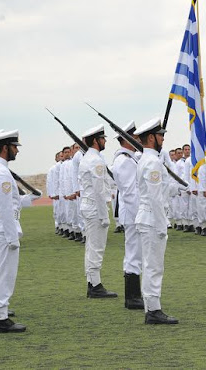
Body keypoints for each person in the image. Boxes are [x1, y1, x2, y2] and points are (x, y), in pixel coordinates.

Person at [0, 130, 38, 332]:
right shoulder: (0, 172)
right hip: (3, 229)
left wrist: (28, 199)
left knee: (1, 272)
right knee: (4, 274)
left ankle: (0, 313)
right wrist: (11, 236)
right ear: (5, 148)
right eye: (15, 147)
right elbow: (5, 209)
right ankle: (0, 318)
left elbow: (9, 203)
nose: (17, 151)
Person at [135, 117, 179, 324]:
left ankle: (152, 307)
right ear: (151, 137)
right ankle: (153, 310)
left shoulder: (150, 159)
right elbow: (154, 197)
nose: (163, 138)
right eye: (160, 135)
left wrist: (177, 187)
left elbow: (159, 190)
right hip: (153, 219)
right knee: (153, 266)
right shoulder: (152, 162)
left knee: (152, 265)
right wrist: (162, 225)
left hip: (149, 217)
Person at [78, 124, 117, 298]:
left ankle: (92, 281)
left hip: (89, 206)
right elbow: (99, 189)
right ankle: (95, 285)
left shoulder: (88, 157)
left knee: (91, 246)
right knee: (96, 247)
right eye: (102, 138)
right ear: (95, 140)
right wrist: (104, 215)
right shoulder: (95, 160)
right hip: (95, 207)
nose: (105, 141)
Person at [111, 121, 144, 310]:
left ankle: (134, 295)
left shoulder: (130, 158)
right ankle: (132, 297)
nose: (139, 141)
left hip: (134, 213)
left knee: (135, 253)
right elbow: (131, 194)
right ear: (128, 139)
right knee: (133, 254)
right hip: (133, 215)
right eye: (136, 137)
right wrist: (140, 216)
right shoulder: (124, 161)